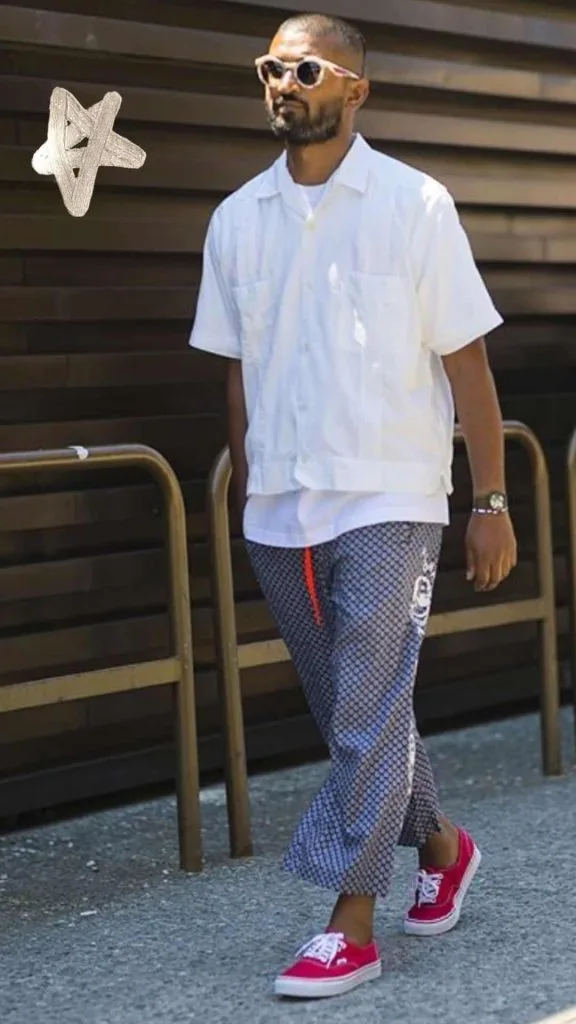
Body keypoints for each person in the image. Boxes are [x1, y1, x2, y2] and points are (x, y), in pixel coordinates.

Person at [189, 12, 518, 1001]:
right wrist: (247, 483)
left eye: (305, 68)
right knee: (359, 716)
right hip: (280, 512)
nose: (282, 81)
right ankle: (446, 848)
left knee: (369, 707)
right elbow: (238, 369)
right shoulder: (235, 218)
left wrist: (491, 497)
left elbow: (468, 362)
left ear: (354, 90)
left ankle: (351, 923)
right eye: (271, 66)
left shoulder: (415, 206)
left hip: (390, 496)